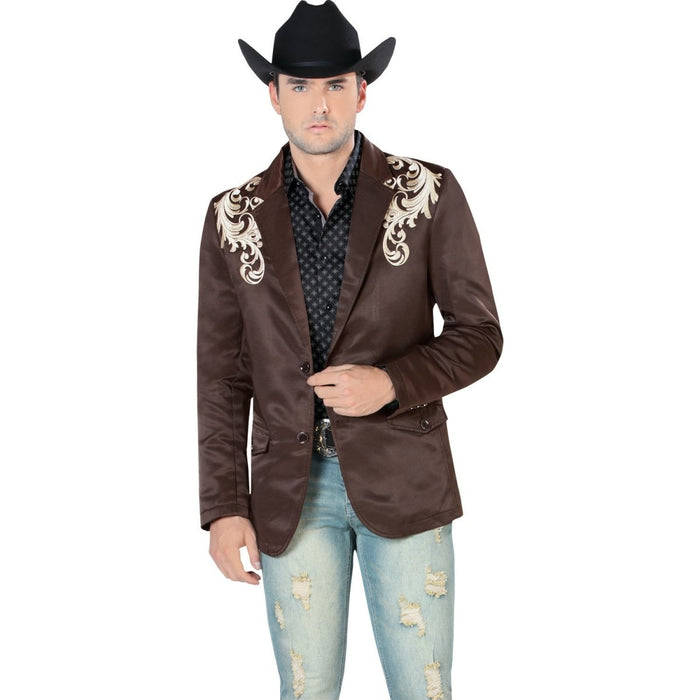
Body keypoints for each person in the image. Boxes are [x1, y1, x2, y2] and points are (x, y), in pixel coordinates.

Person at [196, 2, 502, 698]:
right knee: (306, 693)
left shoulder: (427, 193)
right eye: (300, 86)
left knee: (424, 691)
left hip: (406, 481)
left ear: (362, 91)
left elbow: (481, 334)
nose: (319, 104)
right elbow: (221, 376)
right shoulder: (231, 217)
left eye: (336, 84)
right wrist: (224, 505)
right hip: (290, 494)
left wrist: (390, 382)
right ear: (273, 94)